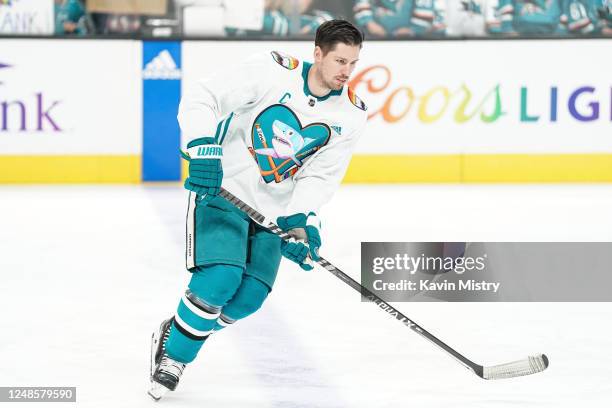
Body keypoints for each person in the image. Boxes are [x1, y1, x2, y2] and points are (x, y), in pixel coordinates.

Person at [148, 19, 368, 400]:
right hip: (226, 191)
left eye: (352, 63)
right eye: (339, 61)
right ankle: (174, 356)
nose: (346, 72)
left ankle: (179, 328)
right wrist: (203, 146)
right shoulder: (271, 70)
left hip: (272, 214)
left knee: (248, 298)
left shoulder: (351, 114)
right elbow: (203, 96)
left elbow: (320, 176)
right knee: (220, 280)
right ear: (317, 54)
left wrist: (301, 223)